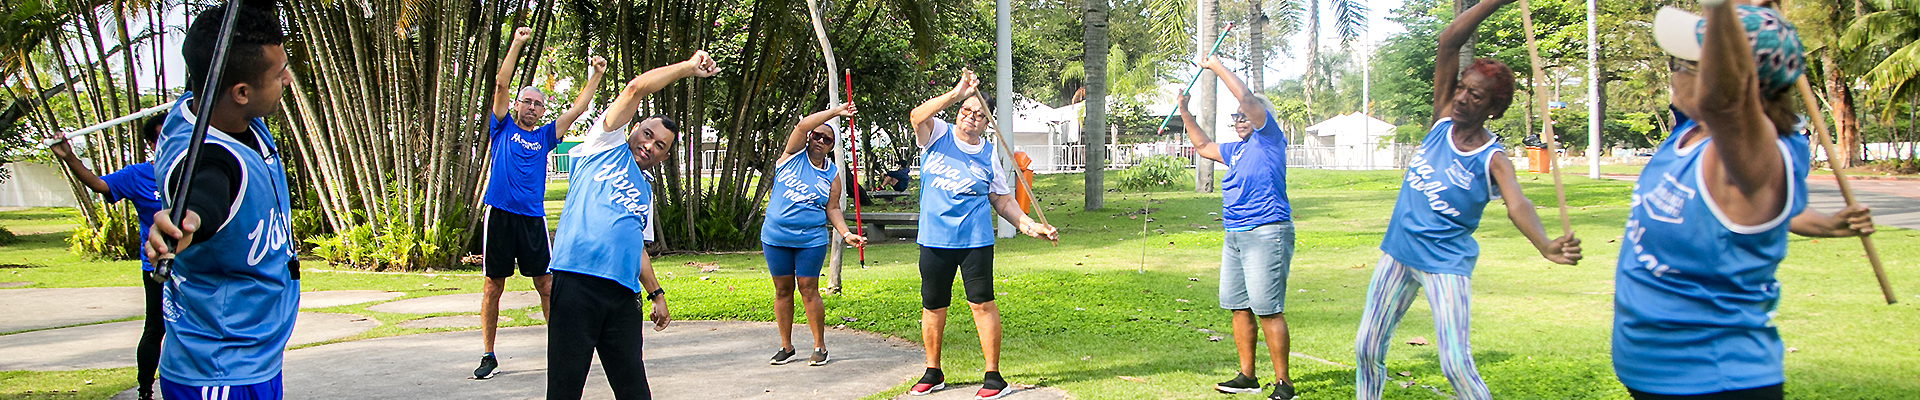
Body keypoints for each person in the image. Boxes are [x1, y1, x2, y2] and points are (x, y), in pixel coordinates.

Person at [1615, 3, 1874, 399]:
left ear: (1722, 81)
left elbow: (1727, 104)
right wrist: (1825, 225)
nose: (1672, 73)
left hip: (1714, 379)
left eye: (1683, 64)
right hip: (1653, 372)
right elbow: (1738, 218)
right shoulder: (1688, 133)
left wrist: (1717, 6)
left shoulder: (1754, 156)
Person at [1352, 1, 1584, 399]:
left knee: (1455, 365)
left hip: (1445, 265)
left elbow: (1518, 205)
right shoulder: (1442, 118)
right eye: (1461, 87)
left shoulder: (1491, 158)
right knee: (1366, 348)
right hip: (1398, 253)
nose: (1461, 98)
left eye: (1475, 96)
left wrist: (1545, 244)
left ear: (1493, 108)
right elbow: (1449, 40)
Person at [143, 2, 299, 399]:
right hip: (221, 372)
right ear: (241, 92)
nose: (288, 81)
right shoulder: (211, 161)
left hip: (251, 360)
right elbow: (201, 196)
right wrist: (183, 224)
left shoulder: (210, 108)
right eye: (279, 73)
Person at [544, 50, 718, 400]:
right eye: (648, 135)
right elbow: (636, 88)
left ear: (665, 156)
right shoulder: (603, 144)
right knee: (564, 389)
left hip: (623, 297)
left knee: (634, 391)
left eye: (660, 146)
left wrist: (657, 294)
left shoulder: (645, 192)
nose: (649, 146)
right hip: (577, 284)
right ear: (635, 128)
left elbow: (635, 244)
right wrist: (687, 67)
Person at [903, 69, 1058, 400]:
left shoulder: (988, 153)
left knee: (982, 304)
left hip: (974, 241)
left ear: (987, 122)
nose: (970, 118)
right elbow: (917, 116)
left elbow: (1002, 201)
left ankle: (993, 377)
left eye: (978, 114)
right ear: (958, 112)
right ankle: (933, 371)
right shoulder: (937, 134)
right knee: (933, 305)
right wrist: (956, 93)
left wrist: (1029, 226)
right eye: (965, 111)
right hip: (934, 239)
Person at [474, 27, 607, 380]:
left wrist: (595, 75)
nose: (532, 108)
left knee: (546, 285)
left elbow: (578, 109)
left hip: (532, 220)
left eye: (538, 104)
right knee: (493, 287)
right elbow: (501, 84)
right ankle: (488, 354)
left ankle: (561, 350)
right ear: (516, 105)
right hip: (500, 216)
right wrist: (517, 43)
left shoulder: (546, 136)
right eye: (527, 102)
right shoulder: (502, 127)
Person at [1175, 56, 1298, 400]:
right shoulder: (1237, 150)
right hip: (1235, 234)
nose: (1240, 119)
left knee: (1267, 307)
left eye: (1245, 116)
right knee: (1239, 305)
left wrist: (1216, 67)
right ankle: (1248, 376)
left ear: (1260, 118)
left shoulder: (1269, 140)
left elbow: (1247, 100)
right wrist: (1185, 111)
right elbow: (1202, 146)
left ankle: (1284, 384)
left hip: (1267, 231)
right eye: (1236, 117)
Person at [50, 114, 166, 399]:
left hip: (200, 266)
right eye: (161, 137)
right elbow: (99, 185)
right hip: (158, 265)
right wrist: (69, 157)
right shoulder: (137, 175)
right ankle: (145, 392)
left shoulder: (199, 169)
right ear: (151, 144)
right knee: (155, 328)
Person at [761, 103, 868, 366]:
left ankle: (819, 345)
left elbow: (832, 208)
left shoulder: (832, 173)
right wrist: (835, 112)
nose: (820, 140)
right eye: (816, 135)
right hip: (776, 237)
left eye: (827, 139)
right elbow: (801, 125)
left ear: (832, 146)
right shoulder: (791, 156)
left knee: (808, 289)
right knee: (782, 290)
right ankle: (786, 346)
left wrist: (845, 234)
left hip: (810, 239)